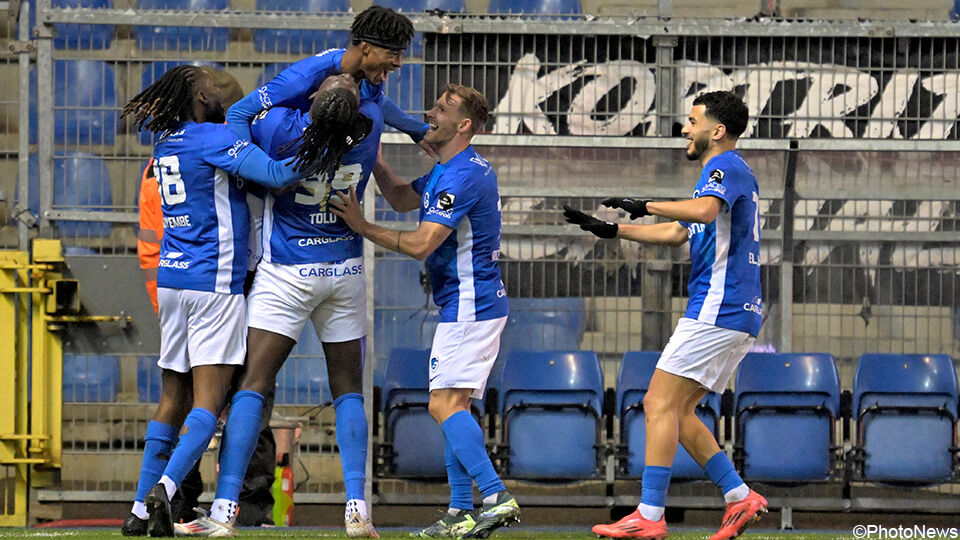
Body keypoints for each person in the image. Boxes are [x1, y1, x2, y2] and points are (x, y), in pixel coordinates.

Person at [175, 73, 384, 538]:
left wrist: (315, 82)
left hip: (287, 270)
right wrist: (349, 91)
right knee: (348, 388)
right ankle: (356, 509)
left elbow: (240, 117)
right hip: (344, 269)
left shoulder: (278, 128)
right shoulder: (369, 126)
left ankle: (225, 510)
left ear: (312, 98)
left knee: (252, 384)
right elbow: (369, 98)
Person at [563, 91, 767, 540]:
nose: (684, 129)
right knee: (681, 411)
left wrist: (646, 202)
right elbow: (680, 231)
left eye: (691, 121)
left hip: (719, 307)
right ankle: (738, 496)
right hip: (735, 312)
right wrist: (614, 229)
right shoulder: (728, 175)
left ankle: (650, 515)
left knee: (657, 404)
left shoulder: (724, 167)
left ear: (716, 131)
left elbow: (702, 211)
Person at [119, 64, 309, 538]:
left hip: (171, 281)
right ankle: (164, 487)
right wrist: (325, 139)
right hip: (214, 284)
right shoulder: (214, 140)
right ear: (203, 97)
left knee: (171, 399)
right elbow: (281, 175)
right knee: (210, 401)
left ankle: (138, 511)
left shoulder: (165, 142)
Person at [329, 84, 520, 539]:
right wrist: (372, 153)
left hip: (471, 304)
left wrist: (361, 226)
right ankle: (459, 511)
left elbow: (419, 244)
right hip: (469, 303)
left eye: (442, 109)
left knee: (442, 405)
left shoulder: (461, 176)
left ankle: (495, 495)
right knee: (456, 406)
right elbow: (399, 196)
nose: (429, 113)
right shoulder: (447, 169)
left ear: (465, 125)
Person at [225, 5, 433, 158]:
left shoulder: (368, 74)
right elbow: (237, 113)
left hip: (308, 155)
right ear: (366, 48)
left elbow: (378, 101)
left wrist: (418, 131)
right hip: (273, 157)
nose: (399, 63)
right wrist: (251, 167)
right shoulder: (303, 79)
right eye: (393, 54)